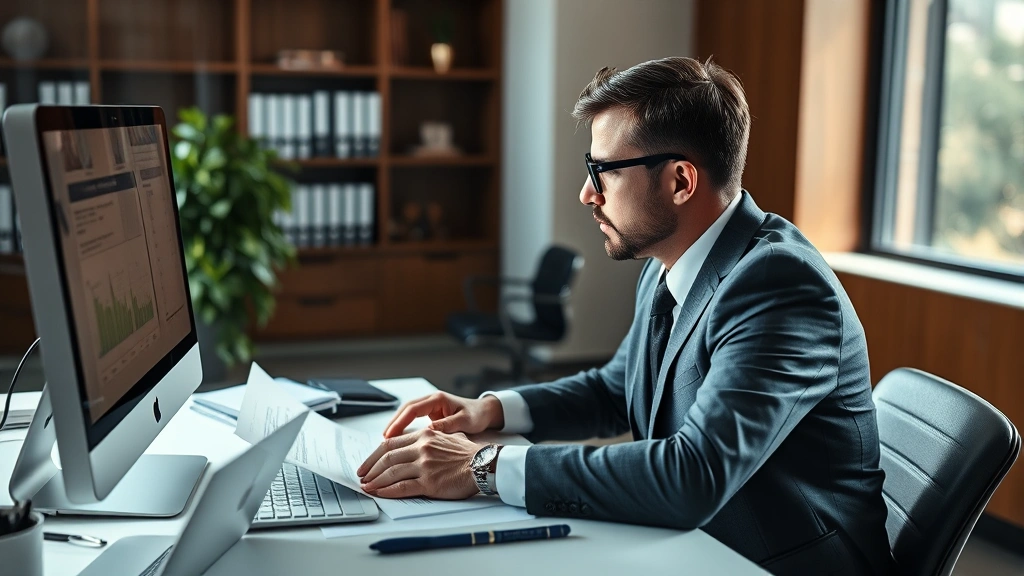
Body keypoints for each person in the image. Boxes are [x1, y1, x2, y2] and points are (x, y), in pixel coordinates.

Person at [357, 56, 895, 575]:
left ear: (681, 182)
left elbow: (694, 476)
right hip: (697, 545)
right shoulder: (670, 262)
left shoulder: (778, 284)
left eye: (603, 171)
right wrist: (491, 412)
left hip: (774, 562)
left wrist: (484, 468)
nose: (587, 193)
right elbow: (618, 388)